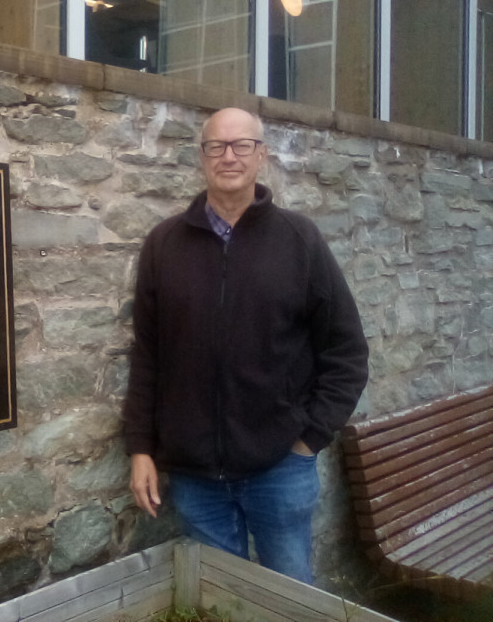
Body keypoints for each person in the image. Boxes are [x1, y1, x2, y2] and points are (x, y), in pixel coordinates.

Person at [123, 107, 369, 584]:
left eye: (241, 146)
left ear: (262, 156)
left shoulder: (300, 240)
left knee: (289, 600)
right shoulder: (164, 244)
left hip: (279, 467)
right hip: (193, 472)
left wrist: (308, 439)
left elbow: (347, 351)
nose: (228, 156)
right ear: (202, 156)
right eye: (216, 146)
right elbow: (148, 355)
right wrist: (141, 448)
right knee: (218, 597)